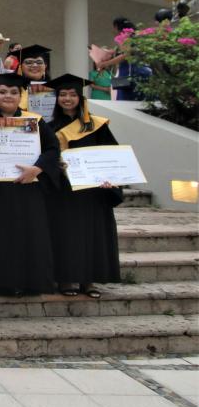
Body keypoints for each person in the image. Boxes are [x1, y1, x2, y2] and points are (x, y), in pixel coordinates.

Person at [0, 73, 62, 294]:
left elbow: (53, 149)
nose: (8, 96)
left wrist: (37, 169)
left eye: (14, 92)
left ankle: (30, 282)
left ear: (21, 95)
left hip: (27, 188)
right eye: (2, 91)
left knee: (29, 234)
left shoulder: (35, 121)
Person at [45, 74, 122, 297]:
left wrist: (110, 179)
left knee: (91, 234)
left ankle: (89, 280)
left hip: (92, 191)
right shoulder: (49, 127)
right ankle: (66, 279)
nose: (67, 99)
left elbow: (111, 155)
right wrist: (55, 166)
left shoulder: (97, 125)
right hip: (63, 191)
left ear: (80, 98)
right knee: (65, 234)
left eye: (72, 94)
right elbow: (45, 157)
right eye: (62, 94)